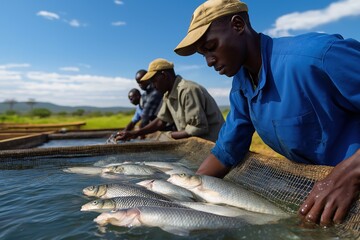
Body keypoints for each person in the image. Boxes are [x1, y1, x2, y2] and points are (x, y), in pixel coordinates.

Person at [174, 0, 360, 227]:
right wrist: (178, 195)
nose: (209, 61)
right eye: (203, 54)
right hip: (321, 190)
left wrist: (352, 172)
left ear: (238, 25)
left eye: (211, 47)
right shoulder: (242, 86)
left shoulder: (316, 57)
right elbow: (227, 151)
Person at [116, 58, 225, 142]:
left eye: (154, 81)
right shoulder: (168, 94)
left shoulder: (187, 90)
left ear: (164, 75)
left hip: (213, 143)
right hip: (195, 142)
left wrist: (169, 135)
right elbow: (160, 121)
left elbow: (198, 129)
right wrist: (134, 133)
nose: (153, 86)